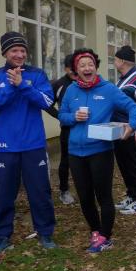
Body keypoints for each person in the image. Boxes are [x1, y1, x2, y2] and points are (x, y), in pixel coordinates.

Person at [0, 31, 57, 255]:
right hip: (5, 147)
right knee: (3, 194)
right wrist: (10, 87)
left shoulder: (37, 74)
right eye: (14, 50)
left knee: (40, 192)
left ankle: (45, 233)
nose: (20, 54)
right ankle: (2, 236)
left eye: (23, 50)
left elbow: (46, 101)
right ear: (5, 53)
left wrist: (23, 84)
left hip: (33, 145)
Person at [58, 48, 136, 253]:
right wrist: (73, 117)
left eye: (90, 64)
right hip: (75, 152)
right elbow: (62, 116)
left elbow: (132, 107)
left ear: (95, 67)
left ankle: (105, 236)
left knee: (103, 196)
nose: (87, 68)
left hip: (100, 151)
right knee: (84, 197)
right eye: (82, 65)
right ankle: (95, 230)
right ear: (76, 70)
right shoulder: (71, 90)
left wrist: (132, 126)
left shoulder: (108, 89)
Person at [112, 45, 136, 215]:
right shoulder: (122, 79)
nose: (114, 62)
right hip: (120, 130)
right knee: (125, 164)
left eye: (115, 59)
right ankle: (131, 194)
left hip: (133, 130)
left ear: (122, 61)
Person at [45, 54, 77, 206]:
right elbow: (47, 104)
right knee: (66, 160)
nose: (75, 71)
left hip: (86, 129)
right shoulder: (60, 84)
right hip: (68, 130)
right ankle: (64, 190)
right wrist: (60, 116)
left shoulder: (85, 80)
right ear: (66, 69)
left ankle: (86, 188)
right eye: (71, 69)